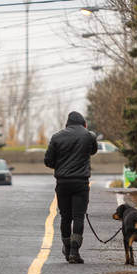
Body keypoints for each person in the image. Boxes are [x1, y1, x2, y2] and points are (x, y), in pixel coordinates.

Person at [43, 111, 98, 263]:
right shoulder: (89, 136)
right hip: (81, 183)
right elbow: (93, 151)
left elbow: (48, 161)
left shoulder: (56, 137)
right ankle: (74, 251)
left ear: (67, 124)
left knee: (65, 217)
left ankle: (67, 249)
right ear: (83, 124)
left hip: (63, 183)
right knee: (78, 217)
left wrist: (60, 166)